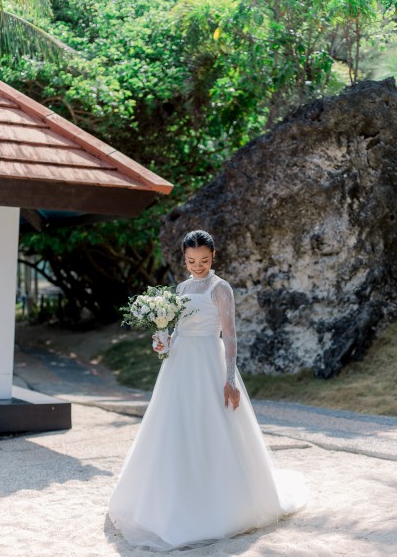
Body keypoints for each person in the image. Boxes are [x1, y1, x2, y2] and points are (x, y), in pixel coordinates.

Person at [108, 230, 308, 551]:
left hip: (209, 363)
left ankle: (221, 504)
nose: (197, 266)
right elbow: (174, 332)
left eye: (203, 260)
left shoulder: (221, 288)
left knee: (213, 426)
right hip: (179, 364)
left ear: (213, 256)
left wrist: (229, 379)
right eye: (191, 260)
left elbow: (229, 336)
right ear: (183, 259)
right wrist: (162, 339)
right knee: (174, 428)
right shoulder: (182, 288)